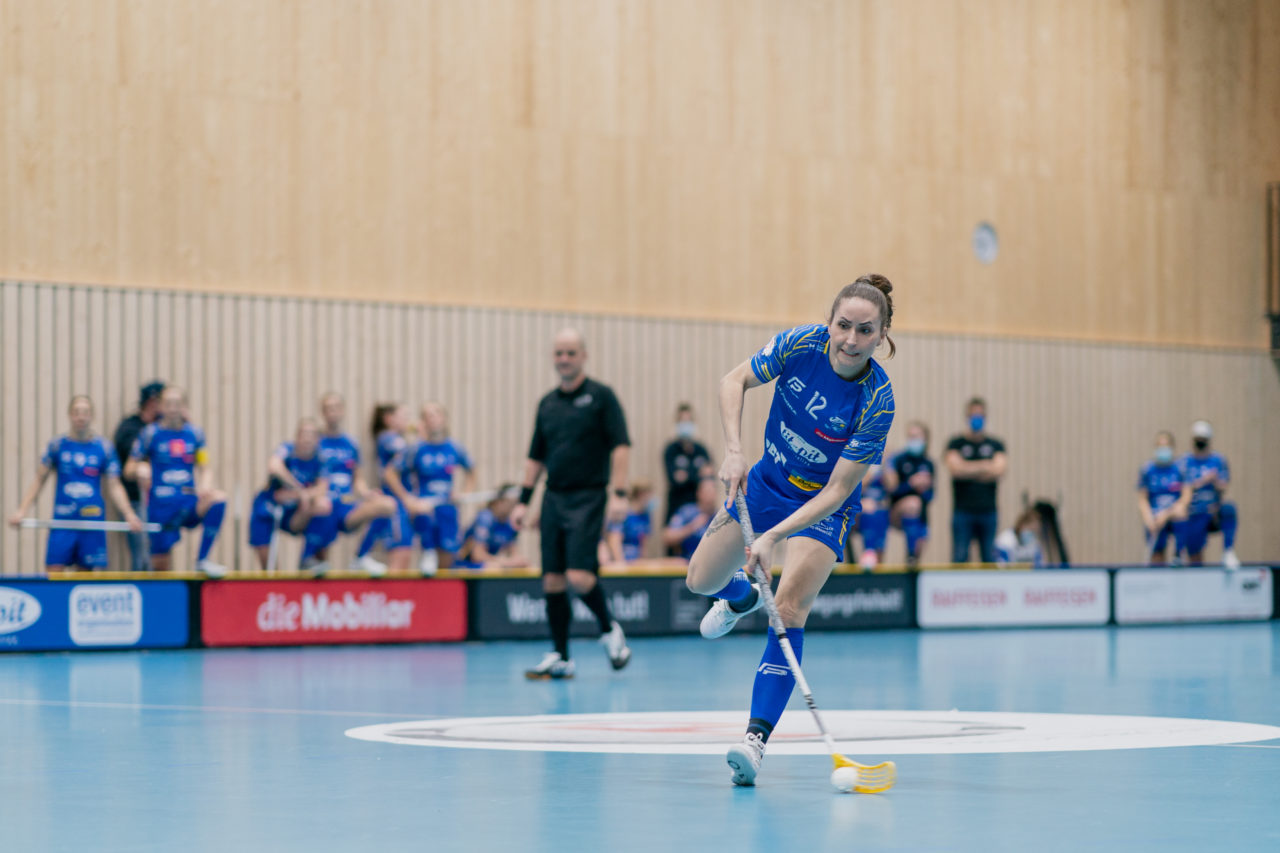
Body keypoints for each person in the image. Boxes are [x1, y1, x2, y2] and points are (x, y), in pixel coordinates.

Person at [685, 274, 897, 786]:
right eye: (842, 325)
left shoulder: (877, 401)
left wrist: (774, 536)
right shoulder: (800, 344)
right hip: (764, 483)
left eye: (864, 331)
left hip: (822, 507)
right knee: (700, 581)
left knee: (788, 607)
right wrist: (735, 450)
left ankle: (754, 741)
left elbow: (839, 490)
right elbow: (732, 381)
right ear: (829, 322)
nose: (850, 339)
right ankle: (739, 599)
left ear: (881, 337)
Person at [510, 328, 633, 679]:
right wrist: (523, 502)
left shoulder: (601, 397)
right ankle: (560, 656)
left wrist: (619, 494)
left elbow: (621, 445)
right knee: (552, 580)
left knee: (579, 576)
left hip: (589, 496)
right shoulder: (547, 404)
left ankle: (610, 630)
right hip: (553, 497)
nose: (564, 359)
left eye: (570, 353)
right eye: (559, 353)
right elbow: (536, 456)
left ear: (583, 356)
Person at [9, 396, 144, 571]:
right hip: (63, 522)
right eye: (77, 413)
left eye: (85, 412)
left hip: (91, 522)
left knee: (84, 580)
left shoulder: (103, 448)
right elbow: (39, 480)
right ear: (70, 415)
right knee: (54, 574)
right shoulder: (57, 446)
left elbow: (114, 485)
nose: (81, 417)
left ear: (92, 416)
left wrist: (129, 515)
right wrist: (22, 511)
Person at [124, 386, 228, 577]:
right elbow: (128, 468)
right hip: (161, 507)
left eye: (177, 404)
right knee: (161, 567)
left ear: (184, 407)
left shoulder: (195, 434)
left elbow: (205, 467)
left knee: (218, 499)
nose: (173, 409)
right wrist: (139, 468)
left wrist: (205, 484)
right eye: (168, 404)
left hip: (187, 503)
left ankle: (202, 560)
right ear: (161, 407)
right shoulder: (150, 433)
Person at [313, 392, 393, 575]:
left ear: (342, 411)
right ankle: (315, 565)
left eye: (336, 408)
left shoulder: (351, 444)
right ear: (323, 413)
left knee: (387, 505)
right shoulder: (316, 441)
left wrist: (367, 494)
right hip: (323, 506)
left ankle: (360, 557)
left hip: (346, 506)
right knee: (320, 564)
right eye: (328, 409)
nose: (333, 412)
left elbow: (358, 479)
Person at [399, 402, 477, 575]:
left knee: (447, 560)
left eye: (436, 414)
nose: (432, 419)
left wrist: (464, 493)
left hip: (447, 508)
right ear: (423, 422)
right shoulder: (416, 449)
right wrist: (407, 499)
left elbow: (472, 472)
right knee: (427, 545)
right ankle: (427, 552)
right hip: (425, 507)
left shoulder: (454, 447)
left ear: (444, 419)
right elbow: (391, 473)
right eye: (427, 416)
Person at [945, 398, 1007, 563]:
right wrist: (985, 465)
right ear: (967, 417)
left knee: (988, 557)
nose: (976, 419)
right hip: (962, 511)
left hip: (988, 511)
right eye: (973, 415)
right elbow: (956, 470)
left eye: (980, 415)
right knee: (960, 556)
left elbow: (999, 470)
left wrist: (968, 467)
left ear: (985, 417)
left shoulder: (995, 444)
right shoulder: (956, 443)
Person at [112, 380, 165, 570]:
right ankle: (143, 588)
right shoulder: (130, 428)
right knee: (142, 551)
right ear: (152, 402)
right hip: (135, 500)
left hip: (159, 500)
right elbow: (126, 469)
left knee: (160, 551)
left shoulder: (163, 429)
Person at [356, 403, 415, 573]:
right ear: (389, 419)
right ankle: (360, 556)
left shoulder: (396, 439)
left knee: (404, 554)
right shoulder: (389, 438)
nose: (408, 421)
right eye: (403, 416)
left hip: (400, 505)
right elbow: (392, 471)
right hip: (395, 503)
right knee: (400, 555)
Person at [1178, 420, 1239, 569]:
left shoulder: (1218, 460)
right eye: (1198, 439)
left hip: (1212, 510)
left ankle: (1228, 551)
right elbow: (1180, 488)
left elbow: (1223, 486)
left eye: (1203, 440)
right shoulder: (1184, 462)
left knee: (1229, 509)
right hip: (1193, 511)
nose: (1200, 442)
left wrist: (1215, 480)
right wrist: (1201, 482)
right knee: (1194, 553)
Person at [881, 421, 935, 567]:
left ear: (925, 439)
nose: (913, 440)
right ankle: (910, 554)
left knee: (916, 558)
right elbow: (893, 490)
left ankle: (912, 560)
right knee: (912, 503)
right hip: (897, 510)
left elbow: (930, 497)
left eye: (917, 436)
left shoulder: (928, 464)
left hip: (920, 515)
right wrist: (911, 484)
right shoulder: (899, 460)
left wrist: (923, 488)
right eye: (910, 436)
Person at [1135, 431, 1191, 566]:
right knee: (1157, 554)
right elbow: (1142, 499)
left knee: (1181, 513)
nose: (1163, 450)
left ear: (1172, 448)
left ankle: (1178, 555)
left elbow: (1186, 497)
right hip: (1155, 518)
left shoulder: (1180, 468)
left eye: (1166, 446)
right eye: (1160, 446)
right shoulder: (1147, 469)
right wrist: (1149, 519)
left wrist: (1166, 514)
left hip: (1173, 514)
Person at [663, 403, 714, 524]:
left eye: (688, 420)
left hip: (699, 508)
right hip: (677, 505)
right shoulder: (671, 450)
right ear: (677, 423)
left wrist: (686, 476)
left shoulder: (701, 450)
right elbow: (674, 479)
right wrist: (698, 474)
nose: (686, 424)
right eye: (682, 420)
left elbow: (710, 476)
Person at [455, 485, 527, 569]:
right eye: (511, 502)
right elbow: (477, 556)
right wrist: (505, 562)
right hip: (465, 564)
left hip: (486, 564)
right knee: (494, 567)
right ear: (499, 501)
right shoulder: (486, 517)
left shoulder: (510, 522)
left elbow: (513, 553)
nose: (514, 506)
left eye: (516, 502)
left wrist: (518, 561)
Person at [662, 477, 720, 561]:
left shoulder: (720, 516)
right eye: (707, 492)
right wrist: (692, 527)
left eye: (712, 492)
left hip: (713, 563)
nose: (710, 495)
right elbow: (667, 537)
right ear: (699, 493)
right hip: (686, 562)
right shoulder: (687, 512)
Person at [601, 481, 656, 564]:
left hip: (636, 562)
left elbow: (643, 544)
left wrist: (644, 563)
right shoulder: (623, 514)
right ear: (641, 494)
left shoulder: (645, 516)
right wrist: (621, 564)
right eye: (649, 495)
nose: (651, 499)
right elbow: (614, 540)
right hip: (622, 561)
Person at [850, 467, 890, 569]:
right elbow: (852, 489)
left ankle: (876, 558)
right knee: (869, 508)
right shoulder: (858, 461)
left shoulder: (886, 465)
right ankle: (869, 550)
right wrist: (871, 472)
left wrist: (885, 470)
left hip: (878, 510)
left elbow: (893, 487)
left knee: (880, 513)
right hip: (854, 505)